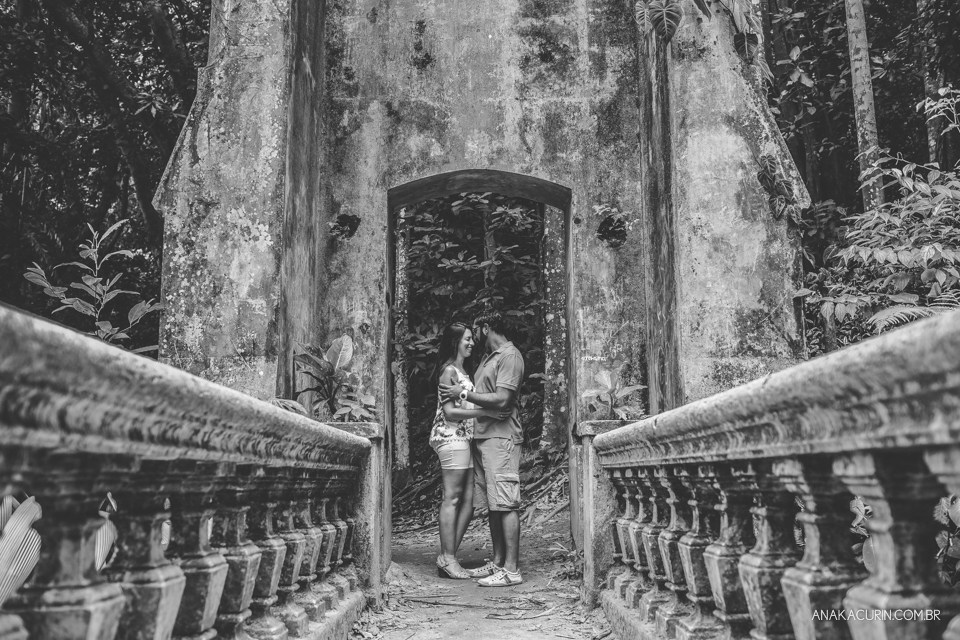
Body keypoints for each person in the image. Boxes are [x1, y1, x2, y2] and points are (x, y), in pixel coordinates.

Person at [439, 309, 525, 587]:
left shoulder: (510, 356)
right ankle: (499, 563)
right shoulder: (489, 358)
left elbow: (501, 399)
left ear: (486, 328)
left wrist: (462, 394)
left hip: (501, 438)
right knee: (494, 504)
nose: (474, 338)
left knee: (506, 501)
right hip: (483, 439)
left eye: (476, 331)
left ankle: (511, 570)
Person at [430, 323, 510, 579]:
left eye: (471, 339)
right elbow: (450, 412)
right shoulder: (448, 371)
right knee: (452, 498)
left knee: (468, 501)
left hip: (464, 439)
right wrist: (484, 411)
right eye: (466, 339)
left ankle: (448, 556)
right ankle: (447, 558)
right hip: (451, 438)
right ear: (454, 342)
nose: (471, 342)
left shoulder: (462, 370)